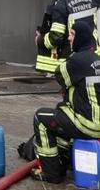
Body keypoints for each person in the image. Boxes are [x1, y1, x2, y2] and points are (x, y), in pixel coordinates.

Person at [31, 20, 100, 183]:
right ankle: (62, 163)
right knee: (60, 110)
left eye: (72, 34)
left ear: (81, 37)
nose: (69, 38)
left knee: (41, 118)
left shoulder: (77, 60)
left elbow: (60, 75)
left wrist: (68, 54)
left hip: (87, 123)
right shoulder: (97, 59)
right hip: (95, 121)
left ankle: (51, 173)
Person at [36, 0, 96, 74]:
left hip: (73, 61)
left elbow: (56, 37)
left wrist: (40, 40)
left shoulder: (61, 4)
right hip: (94, 57)